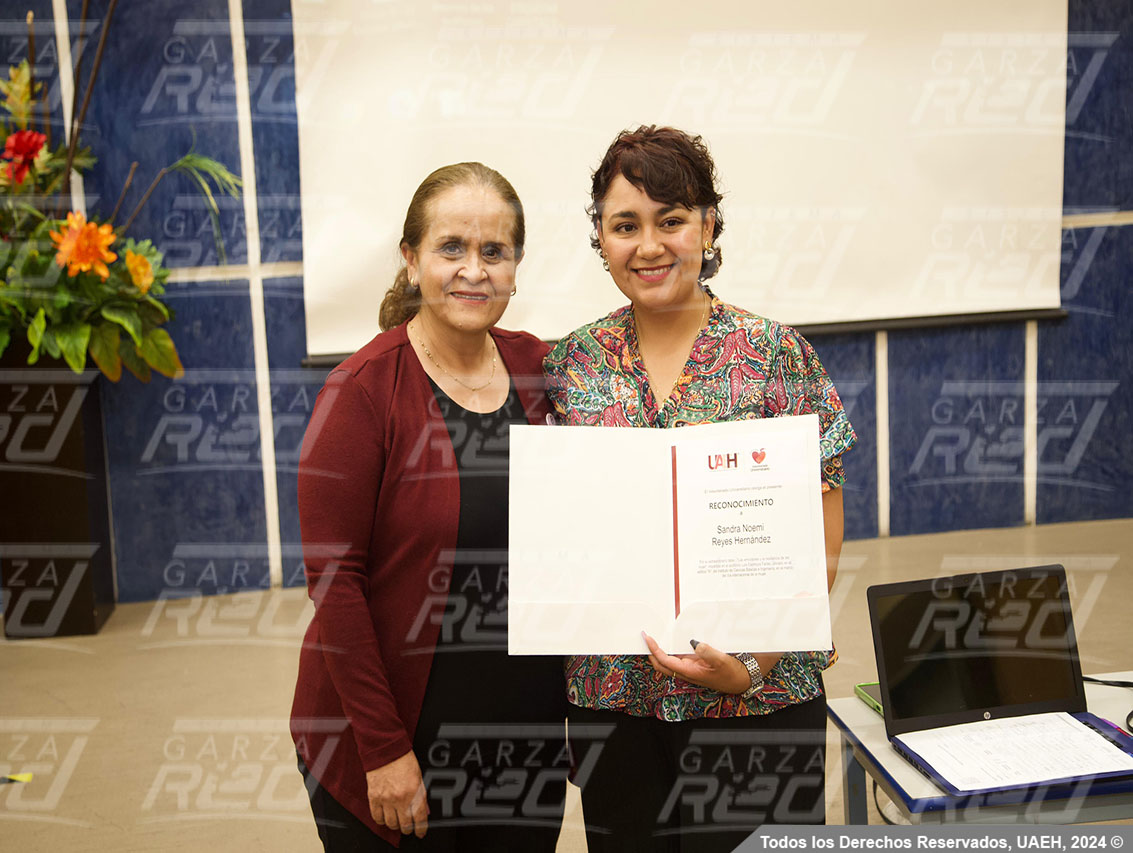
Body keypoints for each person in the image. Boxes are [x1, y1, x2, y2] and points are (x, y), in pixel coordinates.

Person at [543, 126, 857, 852]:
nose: (649, 246)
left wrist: (750, 665)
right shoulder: (571, 364)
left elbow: (821, 532)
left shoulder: (774, 354)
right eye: (625, 225)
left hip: (759, 702)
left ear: (709, 226)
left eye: (672, 220)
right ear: (600, 238)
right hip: (616, 703)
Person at [291, 162, 568, 851]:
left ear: (515, 267)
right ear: (411, 261)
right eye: (451, 248)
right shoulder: (360, 390)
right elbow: (336, 583)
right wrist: (383, 751)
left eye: (494, 251)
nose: (474, 270)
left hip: (521, 742)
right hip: (392, 744)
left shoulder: (541, 371)